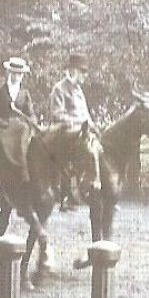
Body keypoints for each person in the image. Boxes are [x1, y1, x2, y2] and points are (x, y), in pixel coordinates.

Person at [48, 53, 94, 207]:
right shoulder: (59, 89)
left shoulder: (79, 91)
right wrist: (77, 123)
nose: (84, 76)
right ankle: (68, 194)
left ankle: (94, 188)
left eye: (85, 72)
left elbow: (86, 113)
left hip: (83, 131)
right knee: (78, 152)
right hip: (65, 132)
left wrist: (92, 125)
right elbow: (57, 114)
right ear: (72, 71)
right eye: (82, 72)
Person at [0, 56, 36, 185]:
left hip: (21, 128)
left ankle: (28, 178)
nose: (17, 76)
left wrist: (32, 121)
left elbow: (30, 113)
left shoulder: (24, 93)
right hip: (3, 127)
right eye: (14, 73)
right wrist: (3, 123)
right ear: (8, 73)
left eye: (20, 74)